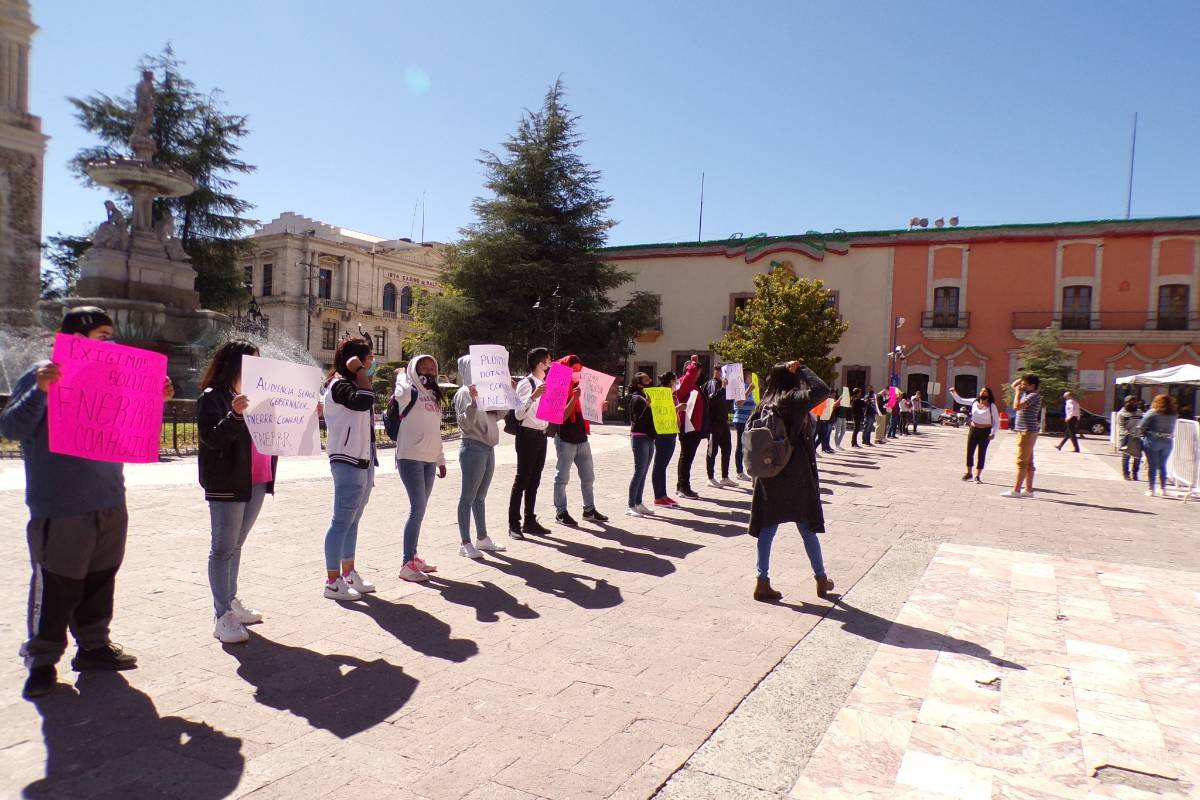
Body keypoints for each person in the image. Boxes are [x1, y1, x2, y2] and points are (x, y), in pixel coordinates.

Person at [1, 307, 173, 698]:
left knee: (100, 579)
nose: (110, 343)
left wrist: (154, 399)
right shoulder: (44, 373)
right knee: (56, 586)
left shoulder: (112, 378)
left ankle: (94, 646)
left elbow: (129, 427)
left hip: (110, 501)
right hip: (62, 506)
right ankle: (42, 662)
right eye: (102, 335)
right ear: (77, 339)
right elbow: (11, 428)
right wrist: (40, 392)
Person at [197, 340, 278, 644]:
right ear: (234, 364)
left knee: (237, 544)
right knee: (222, 548)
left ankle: (230, 602)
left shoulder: (259, 395)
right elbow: (211, 439)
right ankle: (222, 615)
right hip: (228, 482)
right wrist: (234, 415)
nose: (256, 367)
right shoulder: (212, 396)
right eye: (250, 361)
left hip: (256, 479)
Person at [748, 360, 834, 602]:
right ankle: (820, 579)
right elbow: (822, 390)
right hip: (796, 473)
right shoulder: (793, 400)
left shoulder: (765, 403)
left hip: (769, 473)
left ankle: (762, 581)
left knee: (767, 529)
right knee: (807, 529)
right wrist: (802, 368)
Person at [320, 337, 381, 601]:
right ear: (355, 360)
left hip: (362, 459)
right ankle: (332, 581)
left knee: (353, 520)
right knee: (341, 520)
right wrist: (360, 371)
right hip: (346, 459)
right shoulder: (340, 385)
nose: (371, 363)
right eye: (368, 358)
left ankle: (348, 571)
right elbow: (364, 401)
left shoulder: (353, 383)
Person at [394, 355, 447, 581]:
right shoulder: (409, 390)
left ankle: (414, 557)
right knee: (417, 509)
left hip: (429, 460)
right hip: (410, 457)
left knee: (421, 510)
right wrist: (401, 376)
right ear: (414, 370)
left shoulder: (434, 394)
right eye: (424, 367)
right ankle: (406, 564)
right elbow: (400, 395)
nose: (429, 370)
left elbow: (436, 430)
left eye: (432, 367)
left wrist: (440, 459)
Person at [453, 356, 509, 558]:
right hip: (473, 447)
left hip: (488, 448)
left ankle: (482, 538)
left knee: (480, 496)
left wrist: (507, 395)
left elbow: (498, 416)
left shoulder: (487, 391)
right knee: (467, 497)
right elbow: (464, 424)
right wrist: (473, 403)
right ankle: (465, 542)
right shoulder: (463, 392)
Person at [553, 355, 609, 525]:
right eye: (573, 369)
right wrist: (574, 398)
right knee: (562, 478)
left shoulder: (582, 386)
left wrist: (599, 407)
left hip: (582, 439)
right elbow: (561, 416)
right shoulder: (558, 386)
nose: (577, 372)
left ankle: (589, 510)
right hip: (565, 439)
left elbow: (587, 412)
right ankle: (561, 512)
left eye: (578, 369)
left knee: (588, 477)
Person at [509, 347, 552, 539]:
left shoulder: (544, 383)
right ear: (540, 364)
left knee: (534, 480)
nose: (550, 366)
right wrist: (533, 396)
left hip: (541, 435)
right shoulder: (527, 384)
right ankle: (514, 524)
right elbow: (518, 414)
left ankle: (529, 520)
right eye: (548, 362)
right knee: (522, 480)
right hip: (527, 435)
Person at [1002, 375, 1042, 498]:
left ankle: (1016, 490)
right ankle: (1028, 490)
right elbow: (1013, 385)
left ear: (1032, 385)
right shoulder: (1026, 393)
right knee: (1029, 461)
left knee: (1021, 461)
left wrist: (1017, 393)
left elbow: (1017, 407)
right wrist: (1023, 376)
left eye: (1025, 384)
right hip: (1025, 430)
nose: (1021, 386)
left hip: (1027, 431)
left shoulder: (1033, 395)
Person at [674, 355, 708, 499]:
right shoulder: (684, 382)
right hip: (688, 426)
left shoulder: (693, 384)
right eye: (696, 371)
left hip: (693, 426)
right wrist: (694, 363)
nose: (698, 374)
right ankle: (683, 487)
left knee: (687, 457)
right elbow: (689, 377)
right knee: (686, 457)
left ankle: (681, 486)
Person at [950, 386, 1000, 482]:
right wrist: (953, 392)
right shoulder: (974, 401)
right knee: (970, 451)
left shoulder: (992, 406)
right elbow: (960, 400)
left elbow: (996, 421)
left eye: (985, 391)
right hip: (973, 429)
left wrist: (993, 433)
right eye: (981, 391)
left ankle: (978, 476)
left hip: (985, 431)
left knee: (982, 453)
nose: (982, 392)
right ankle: (969, 473)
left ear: (989, 394)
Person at [625, 373, 657, 517]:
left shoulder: (646, 396)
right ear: (638, 383)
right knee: (639, 472)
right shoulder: (636, 398)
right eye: (646, 378)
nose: (649, 380)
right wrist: (647, 406)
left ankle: (638, 503)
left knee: (644, 472)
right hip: (639, 437)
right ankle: (630, 505)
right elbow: (636, 419)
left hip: (649, 437)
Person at [1139, 394, 1178, 497]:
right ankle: (1162, 488)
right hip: (1168, 441)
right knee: (1162, 465)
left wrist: (1143, 433)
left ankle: (1151, 489)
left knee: (1152, 466)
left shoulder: (1153, 412)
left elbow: (1142, 425)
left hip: (1153, 440)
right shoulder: (1173, 414)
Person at [652, 372, 682, 507]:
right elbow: (661, 413)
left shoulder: (672, 394)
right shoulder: (661, 394)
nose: (677, 383)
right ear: (670, 381)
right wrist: (677, 409)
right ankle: (658, 497)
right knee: (659, 464)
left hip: (672, 431)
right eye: (675, 380)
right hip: (663, 433)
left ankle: (663, 494)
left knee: (663, 465)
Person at [704, 367, 736, 487]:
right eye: (721, 372)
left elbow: (727, 403)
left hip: (723, 422)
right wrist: (723, 388)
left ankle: (725, 477)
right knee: (712, 450)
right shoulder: (712, 384)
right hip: (714, 423)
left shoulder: (724, 386)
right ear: (716, 372)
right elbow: (712, 399)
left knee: (727, 448)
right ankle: (710, 478)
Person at [732, 369, 757, 479]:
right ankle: (739, 472)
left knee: (749, 446)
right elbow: (739, 403)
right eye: (750, 376)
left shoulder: (751, 388)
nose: (752, 378)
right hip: (741, 421)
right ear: (745, 377)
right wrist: (749, 390)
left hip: (750, 421)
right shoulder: (740, 388)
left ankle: (750, 469)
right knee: (741, 446)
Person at [1117, 395, 1144, 482]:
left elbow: (1142, 423)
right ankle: (1126, 474)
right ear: (1125, 403)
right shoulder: (1121, 413)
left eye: (1134, 402)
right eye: (1130, 402)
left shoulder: (1139, 412)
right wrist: (1127, 433)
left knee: (1137, 457)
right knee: (1126, 456)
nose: (1133, 404)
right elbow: (1121, 426)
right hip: (1126, 437)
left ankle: (1135, 473)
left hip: (1137, 437)